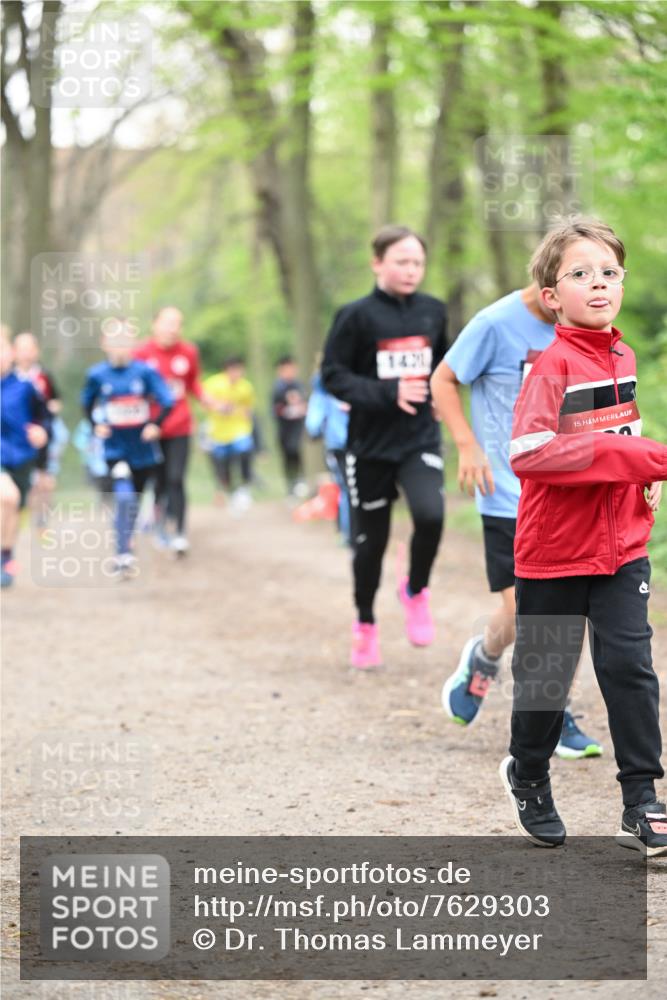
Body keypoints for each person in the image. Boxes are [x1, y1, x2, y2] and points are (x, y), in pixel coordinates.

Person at [495, 217, 666, 857]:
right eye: (581, 273)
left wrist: (645, 477)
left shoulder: (623, 355)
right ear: (551, 294)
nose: (599, 282)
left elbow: (622, 434)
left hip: (622, 547)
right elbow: (529, 452)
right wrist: (639, 459)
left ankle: (643, 802)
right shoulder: (551, 366)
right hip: (555, 550)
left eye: (610, 272)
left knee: (630, 667)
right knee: (546, 677)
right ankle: (529, 774)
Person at [430, 282, 602, 759]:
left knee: (565, 611)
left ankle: (486, 656)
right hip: (508, 494)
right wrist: (467, 444)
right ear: (549, 288)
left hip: (568, 492)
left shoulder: (587, 321)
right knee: (536, 615)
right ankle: (555, 712)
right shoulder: (492, 324)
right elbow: (443, 380)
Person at [322, 224, 447, 668]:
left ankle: (415, 589)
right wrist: (389, 391)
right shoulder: (354, 316)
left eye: (418, 262)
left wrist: (440, 400)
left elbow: (443, 371)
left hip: (418, 441)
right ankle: (366, 624)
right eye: (402, 261)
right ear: (377, 263)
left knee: (431, 516)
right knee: (369, 545)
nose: (411, 270)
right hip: (369, 447)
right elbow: (333, 376)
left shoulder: (434, 312)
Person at [82, 319, 174, 579]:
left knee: (134, 501)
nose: (120, 346)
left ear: (133, 344)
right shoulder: (97, 375)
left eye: (125, 340)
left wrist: (155, 425)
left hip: (142, 451)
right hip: (115, 450)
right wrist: (95, 425)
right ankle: (122, 553)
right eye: (115, 340)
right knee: (124, 498)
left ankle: (127, 544)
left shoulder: (144, 372)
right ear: (104, 344)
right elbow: (87, 404)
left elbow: (167, 400)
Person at [134, 307, 203, 555]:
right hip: (151, 429)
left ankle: (181, 533)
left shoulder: (189, 352)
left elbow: (194, 383)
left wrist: (209, 400)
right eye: (168, 323)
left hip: (180, 426)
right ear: (155, 324)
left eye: (178, 323)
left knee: (176, 478)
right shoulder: (140, 354)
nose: (173, 328)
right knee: (159, 482)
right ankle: (160, 524)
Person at [0, 332, 49, 587]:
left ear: (11, 353)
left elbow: (43, 417)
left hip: (21, 456)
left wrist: (42, 431)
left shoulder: (25, 385)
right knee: (8, 498)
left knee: (13, 509)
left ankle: (6, 557)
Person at [13, 331, 68, 527]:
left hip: (43, 435)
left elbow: (56, 400)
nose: (26, 354)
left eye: (30, 349)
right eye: (22, 349)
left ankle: (42, 519)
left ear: (36, 352)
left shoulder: (43, 376)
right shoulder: (9, 377)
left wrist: (49, 409)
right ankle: (20, 513)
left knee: (44, 479)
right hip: (15, 438)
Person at [202, 356, 256, 512]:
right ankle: (229, 489)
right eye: (233, 370)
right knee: (223, 463)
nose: (236, 373)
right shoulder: (213, 383)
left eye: (239, 370)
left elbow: (248, 408)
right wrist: (218, 407)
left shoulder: (246, 387)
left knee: (245, 450)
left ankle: (245, 485)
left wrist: (241, 413)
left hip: (240, 428)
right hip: (218, 432)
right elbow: (204, 402)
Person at [305, 369, 351, 545]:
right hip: (361, 444)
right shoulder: (357, 378)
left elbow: (313, 426)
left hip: (337, 446)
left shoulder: (322, 389)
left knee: (345, 489)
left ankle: (347, 534)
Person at [271, 356, 307, 497]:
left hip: (297, 426)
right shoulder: (277, 388)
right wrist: (286, 411)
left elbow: (305, 402)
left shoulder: (298, 385)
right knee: (287, 455)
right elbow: (274, 409)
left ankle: (300, 479)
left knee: (296, 450)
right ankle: (290, 485)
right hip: (284, 427)